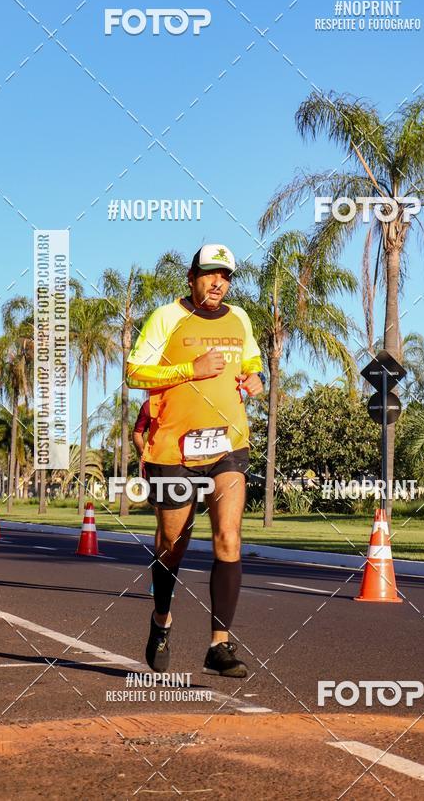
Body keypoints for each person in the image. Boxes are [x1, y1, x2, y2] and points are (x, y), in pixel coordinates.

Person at [126, 244, 264, 678]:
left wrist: (255, 376)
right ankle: (161, 620)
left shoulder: (239, 318)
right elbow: (134, 373)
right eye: (209, 274)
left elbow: (252, 360)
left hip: (228, 445)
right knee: (173, 545)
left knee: (228, 538)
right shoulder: (166, 317)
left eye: (225, 275)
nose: (217, 282)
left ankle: (219, 645)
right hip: (174, 449)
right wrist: (191, 369)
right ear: (191, 277)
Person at [132, 399, 156, 596]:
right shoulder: (150, 405)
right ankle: (162, 580)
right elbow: (137, 432)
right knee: (166, 528)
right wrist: (142, 452)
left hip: (190, 469)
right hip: (159, 469)